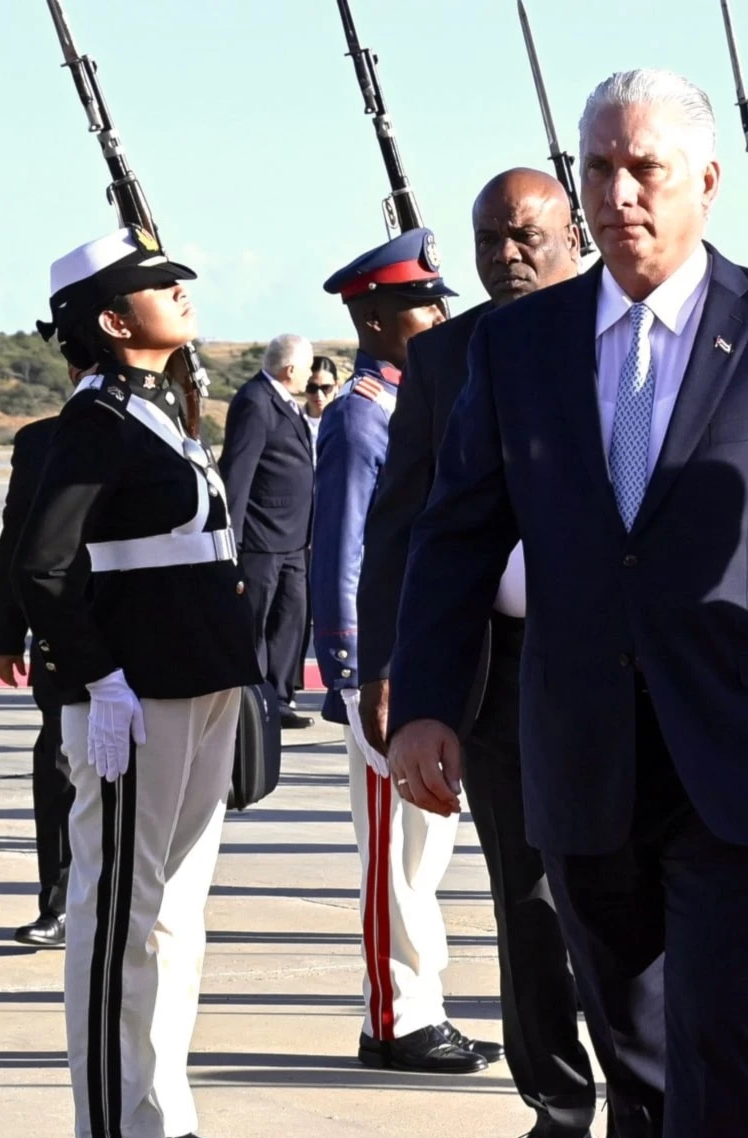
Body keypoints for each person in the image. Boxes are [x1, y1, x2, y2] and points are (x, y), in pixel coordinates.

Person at [386, 69, 748, 1138]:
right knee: (631, 1032)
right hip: (576, 744)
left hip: (739, 744)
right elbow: (456, 534)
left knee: (717, 1020)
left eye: (645, 168)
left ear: (707, 184)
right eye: (600, 168)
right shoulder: (519, 346)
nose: (619, 192)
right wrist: (427, 698)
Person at [359, 167, 606, 1138]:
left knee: (639, 903)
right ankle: (557, 1116)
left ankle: (658, 1107)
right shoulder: (448, 355)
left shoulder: (626, 333)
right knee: (530, 900)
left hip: (625, 668)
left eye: (527, 235)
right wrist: (392, 674)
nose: (507, 253)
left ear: (574, 234)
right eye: (489, 238)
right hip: (504, 678)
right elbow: (402, 527)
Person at [16, 227, 257, 1138]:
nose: (179, 294)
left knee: (175, 915)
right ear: (114, 322)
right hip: (136, 694)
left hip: (198, 682)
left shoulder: (159, 410)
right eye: (156, 287)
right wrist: (98, 676)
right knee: (120, 911)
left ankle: (162, 1106)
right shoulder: (96, 422)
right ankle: (116, 1126)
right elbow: (42, 566)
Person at [312, 227, 501, 1075]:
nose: (440, 313)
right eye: (424, 303)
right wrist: (363, 671)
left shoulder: (415, 399)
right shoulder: (362, 415)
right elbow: (351, 551)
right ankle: (397, 1018)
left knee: (424, 850)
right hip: (382, 668)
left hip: (421, 659)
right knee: (395, 853)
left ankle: (414, 1004)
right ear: (378, 318)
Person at [0, 385, 77, 948]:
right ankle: (61, 902)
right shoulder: (42, 442)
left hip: (146, 637)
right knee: (60, 760)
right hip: (64, 635)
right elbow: (16, 540)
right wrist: (4, 632)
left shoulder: (166, 430)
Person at [217, 333, 316, 729]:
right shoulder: (255, 401)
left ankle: (279, 699)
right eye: (308, 369)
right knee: (255, 622)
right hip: (260, 539)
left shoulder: (284, 401)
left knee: (290, 618)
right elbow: (237, 475)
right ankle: (253, 704)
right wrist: (231, 542)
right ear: (291, 369)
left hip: (292, 539)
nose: (310, 376)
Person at [304, 355, 337, 441]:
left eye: (326, 388)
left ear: (336, 386)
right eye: (312, 388)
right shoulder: (289, 421)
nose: (319, 395)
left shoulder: (344, 422)